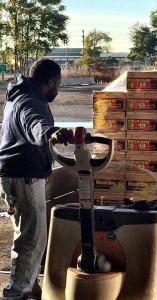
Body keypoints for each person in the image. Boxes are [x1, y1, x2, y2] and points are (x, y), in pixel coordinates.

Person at [0, 59, 73, 300]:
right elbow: (36, 125)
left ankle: (28, 286)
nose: (58, 90)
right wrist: (52, 133)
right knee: (31, 238)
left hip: (18, 175)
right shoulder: (30, 102)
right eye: (58, 84)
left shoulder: (21, 95)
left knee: (27, 233)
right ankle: (15, 294)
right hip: (22, 177)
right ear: (50, 82)